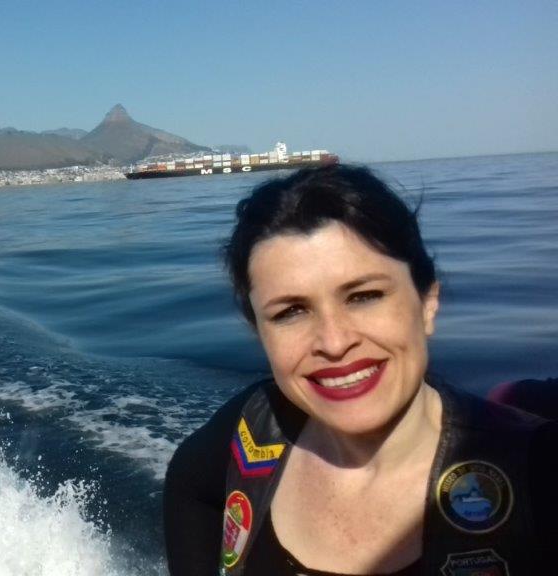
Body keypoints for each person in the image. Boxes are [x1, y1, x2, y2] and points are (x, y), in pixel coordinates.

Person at [163, 165, 557, 575]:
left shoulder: (539, 474)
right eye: (291, 311)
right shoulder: (254, 427)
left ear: (427, 302)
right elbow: (189, 484)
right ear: (258, 331)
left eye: (364, 296)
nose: (334, 342)